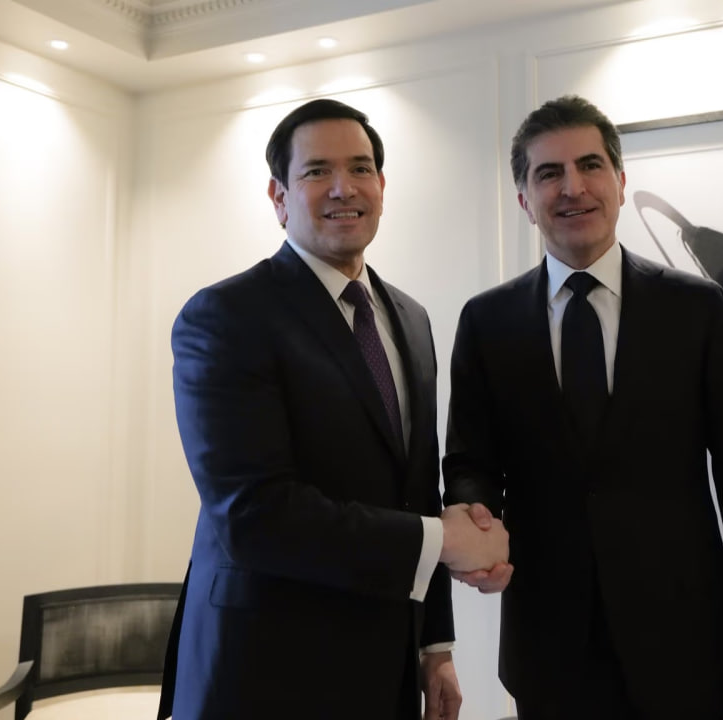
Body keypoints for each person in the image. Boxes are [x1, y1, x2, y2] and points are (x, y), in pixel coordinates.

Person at [442, 95, 723, 719]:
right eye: (549, 173)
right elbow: (472, 463)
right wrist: (477, 521)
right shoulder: (486, 321)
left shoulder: (698, 309)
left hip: (688, 648)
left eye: (589, 165)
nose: (572, 188)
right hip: (548, 651)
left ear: (621, 182)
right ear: (524, 198)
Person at [158, 98, 508, 720]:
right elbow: (255, 514)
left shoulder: (411, 318)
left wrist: (434, 645)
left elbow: (414, 491)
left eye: (360, 168)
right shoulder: (225, 317)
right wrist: (446, 541)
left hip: (385, 665)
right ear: (279, 196)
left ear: (382, 187)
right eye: (317, 171)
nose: (343, 187)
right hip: (262, 673)